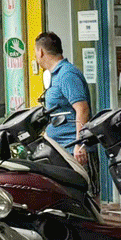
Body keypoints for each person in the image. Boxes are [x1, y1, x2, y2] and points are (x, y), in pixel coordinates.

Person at [34, 31, 92, 167]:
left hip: (72, 151)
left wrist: (80, 144)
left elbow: (82, 109)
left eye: (35, 52)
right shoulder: (57, 75)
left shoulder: (67, 74)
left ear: (41, 52)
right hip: (61, 150)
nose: (36, 57)